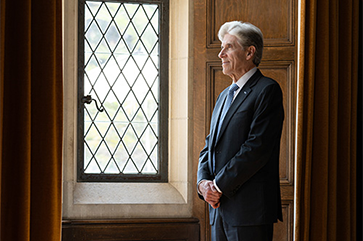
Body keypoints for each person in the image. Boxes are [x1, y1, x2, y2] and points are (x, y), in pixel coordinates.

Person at [197, 21, 284, 241]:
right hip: (218, 210)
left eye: (228, 47)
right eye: (221, 47)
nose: (221, 54)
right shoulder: (224, 96)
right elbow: (210, 146)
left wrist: (217, 185)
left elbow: (256, 148)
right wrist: (203, 184)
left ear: (249, 52)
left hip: (249, 212)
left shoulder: (267, 90)